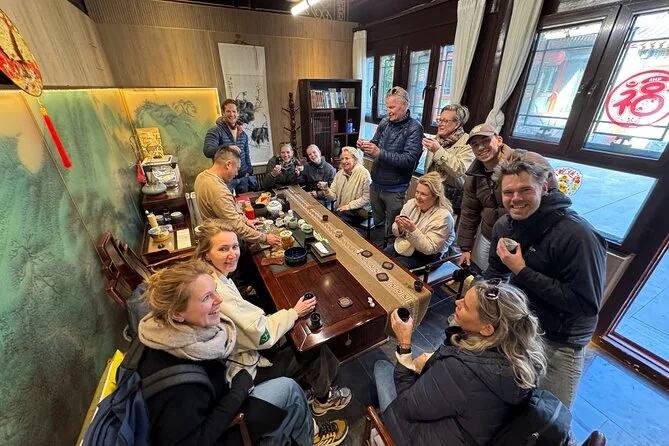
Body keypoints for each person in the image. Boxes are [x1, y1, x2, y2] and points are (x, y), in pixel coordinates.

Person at [193, 220, 352, 438]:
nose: (232, 254)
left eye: (235, 246)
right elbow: (262, 335)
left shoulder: (212, 277)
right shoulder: (217, 290)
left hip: (236, 357)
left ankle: (318, 384)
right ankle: (323, 400)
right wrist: (293, 312)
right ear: (206, 254)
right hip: (243, 372)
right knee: (312, 346)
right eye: (223, 249)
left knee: (300, 335)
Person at [136, 260, 314, 445]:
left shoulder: (157, 331)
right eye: (206, 297)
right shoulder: (180, 386)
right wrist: (237, 393)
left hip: (219, 396)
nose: (219, 300)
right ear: (177, 314)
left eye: (215, 290)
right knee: (290, 390)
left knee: (280, 416)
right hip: (220, 429)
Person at [485, 155, 607, 408]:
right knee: (510, 396)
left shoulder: (578, 235)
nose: (515, 199)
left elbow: (586, 304)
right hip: (521, 326)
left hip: (561, 339)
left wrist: (522, 270)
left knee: (552, 415)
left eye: (525, 190)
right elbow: (495, 275)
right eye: (508, 192)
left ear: (544, 187)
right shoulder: (504, 226)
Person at [373, 279, 547, 446]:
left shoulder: (461, 371)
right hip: (465, 433)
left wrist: (404, 342)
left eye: (466, 306)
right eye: (463, 297)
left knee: (382, 367)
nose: (457, 302)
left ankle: (377, 432)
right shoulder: (520, 360)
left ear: (486, 329)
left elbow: (406, 406)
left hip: (415, 438)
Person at [457, 123, 554, 270]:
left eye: (485, 141)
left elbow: (553, 198)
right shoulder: (474, 175)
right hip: (490, 236)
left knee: (519, 279)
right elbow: (469, 212)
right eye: (475, 145)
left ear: (499, 140)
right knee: (488, 274)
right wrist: (465, 248)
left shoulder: (526, 160)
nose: (481, 147)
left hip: (525, 240)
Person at [357, 87, 423, 244]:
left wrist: (380, 153)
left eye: (392, 107)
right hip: (376, 184)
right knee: (378, 224)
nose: (388, 111)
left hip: (395, 188)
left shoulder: (415, 128)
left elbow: (409, 159)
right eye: (387, 107)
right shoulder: (385, 122)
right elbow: (375, 143)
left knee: (395, 228)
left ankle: (390, 253)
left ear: (405, 105)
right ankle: (379, 249)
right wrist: (365, 145)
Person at [194, 146, 281, 247]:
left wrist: (245, 220)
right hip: (222, 242)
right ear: (228, 164)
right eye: (236, 169)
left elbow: (227, 214)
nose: (236, 174)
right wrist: (265, 238)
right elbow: (237, 227)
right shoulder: (219, 191)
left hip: (215, 237)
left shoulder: (202, 177)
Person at [385, 172, 456, 269]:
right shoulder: (411, 204)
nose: (418, 197)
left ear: (435, 196)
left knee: (394, 268)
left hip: (428, 256)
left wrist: (413, 230)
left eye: (423, 194)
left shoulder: (443, 217)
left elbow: (429, 248)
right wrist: (400, 228)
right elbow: (397, 232)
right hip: (406, 244)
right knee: (381, 256)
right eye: (417, 192)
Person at [422, 104, 475, 214]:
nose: (440, 124)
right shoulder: (436, 139)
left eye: (445, 121)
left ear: (457, 124)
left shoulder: (468, 143)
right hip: (431, 191)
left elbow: (459, 170)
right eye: (439, 120)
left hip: (451, 196)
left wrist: (438, 150)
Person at [203, 99, 255, 194]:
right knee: (226, 203)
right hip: (225, 181)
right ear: (223, 113)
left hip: (243, 179)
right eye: (228, 111)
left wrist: (249, 171)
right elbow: (207, 151)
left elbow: (246, 154)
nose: (231, 114)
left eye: (234, 111)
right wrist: (228, 148)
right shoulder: (215, 131)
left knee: (244, 202)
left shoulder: (243, 134)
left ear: (238, 114)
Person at [321, 146, 371, 225]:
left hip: (359, 209)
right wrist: (326, 190)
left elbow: (367, 198)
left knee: (335, 219)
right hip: (342, 209)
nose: (344, 161)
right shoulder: (339, 174)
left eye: (347, 158)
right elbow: (333, 197)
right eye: (342, 159)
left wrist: (349, 206)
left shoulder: (364, 173)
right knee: (330, 216)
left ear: (355, 159)